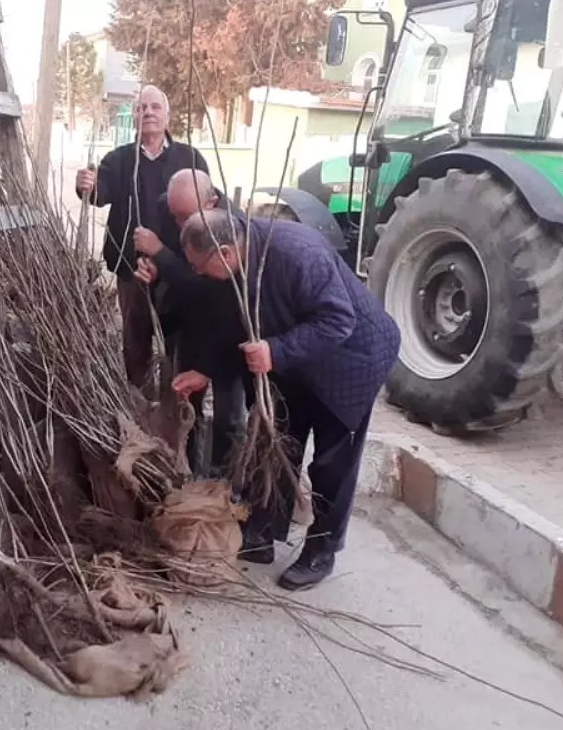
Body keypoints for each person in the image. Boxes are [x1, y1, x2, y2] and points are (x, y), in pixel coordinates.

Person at [175, 209, 400, 590]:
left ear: (225, 252)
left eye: (199, 267)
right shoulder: (236, 264)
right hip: (295, 363)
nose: (197, 273)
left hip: (349, 362)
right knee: (275, 443)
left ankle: (321, 550)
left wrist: (276, 351)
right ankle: (262, 532)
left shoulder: (297, 252)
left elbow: (338, 321)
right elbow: (232, 320)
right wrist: (206, 370)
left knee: (332, 463)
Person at [75, 86, 208, 387]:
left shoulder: (190, 158)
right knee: (135, 342)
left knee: (178, 344)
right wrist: (86, 184)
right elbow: (99, 192)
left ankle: (175, 407)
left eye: (155, 107)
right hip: (131, 270)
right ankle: (140, 406)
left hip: (177, 269)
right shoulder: (119, 160)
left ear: (167, 116)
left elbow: (207, 208)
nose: (148, 112)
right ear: (134, 116)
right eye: (141, 108)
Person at [132, 169, 245, 475]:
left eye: (186, 216)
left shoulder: (232, 228)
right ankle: (187, 469)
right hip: (190, 319)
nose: (178, 224)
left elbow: (205, 287)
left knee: (228, 411)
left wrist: (161, 254)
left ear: (211, 204)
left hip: (228, 323)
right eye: (175, 216)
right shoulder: (167, 207)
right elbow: (163, 257)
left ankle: (223, 481)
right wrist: (152, 267)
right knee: (186, 402)